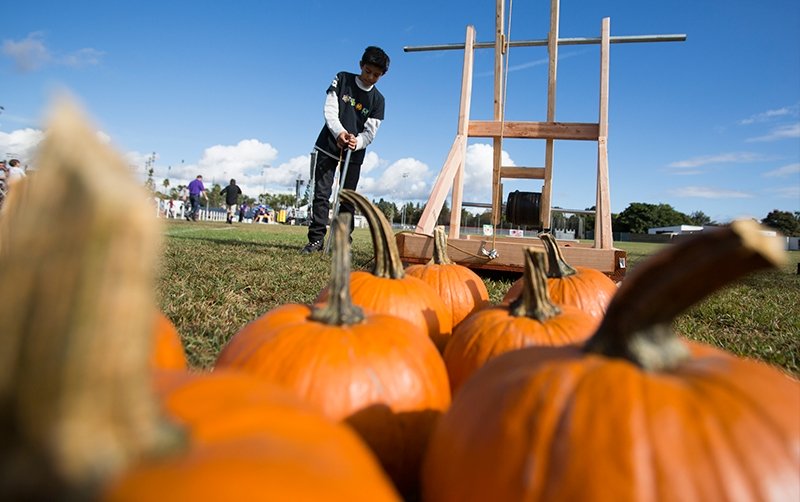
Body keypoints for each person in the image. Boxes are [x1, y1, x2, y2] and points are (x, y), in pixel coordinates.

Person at [301, 46, 389, 254]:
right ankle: (316, 240)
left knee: (347, 198)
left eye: (376, 75)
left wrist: (357, 142)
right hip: (329, 144)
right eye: (368, 71)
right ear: (361, 66)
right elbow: (330, 110)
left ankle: (342, 242)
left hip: (354, 153)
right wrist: (339, 133)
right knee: (321, 194)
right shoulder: (342, 79)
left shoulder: (379, 100)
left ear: (382, 75)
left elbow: (370, 132)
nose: (371, 77)